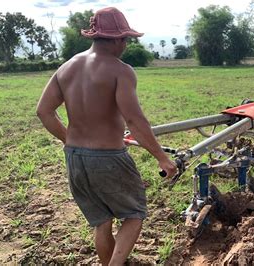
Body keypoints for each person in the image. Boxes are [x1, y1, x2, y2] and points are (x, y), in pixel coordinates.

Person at [36, 7, 177, 265]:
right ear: (114, 39)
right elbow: (134, 120)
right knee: (134, 213)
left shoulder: (66, 67)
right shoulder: (120, 70)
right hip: (108, 158)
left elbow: (44, 112)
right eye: (124, 38)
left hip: (75, 159)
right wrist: (162, 157)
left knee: (102, 221)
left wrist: (70, 140)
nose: (125, 44)